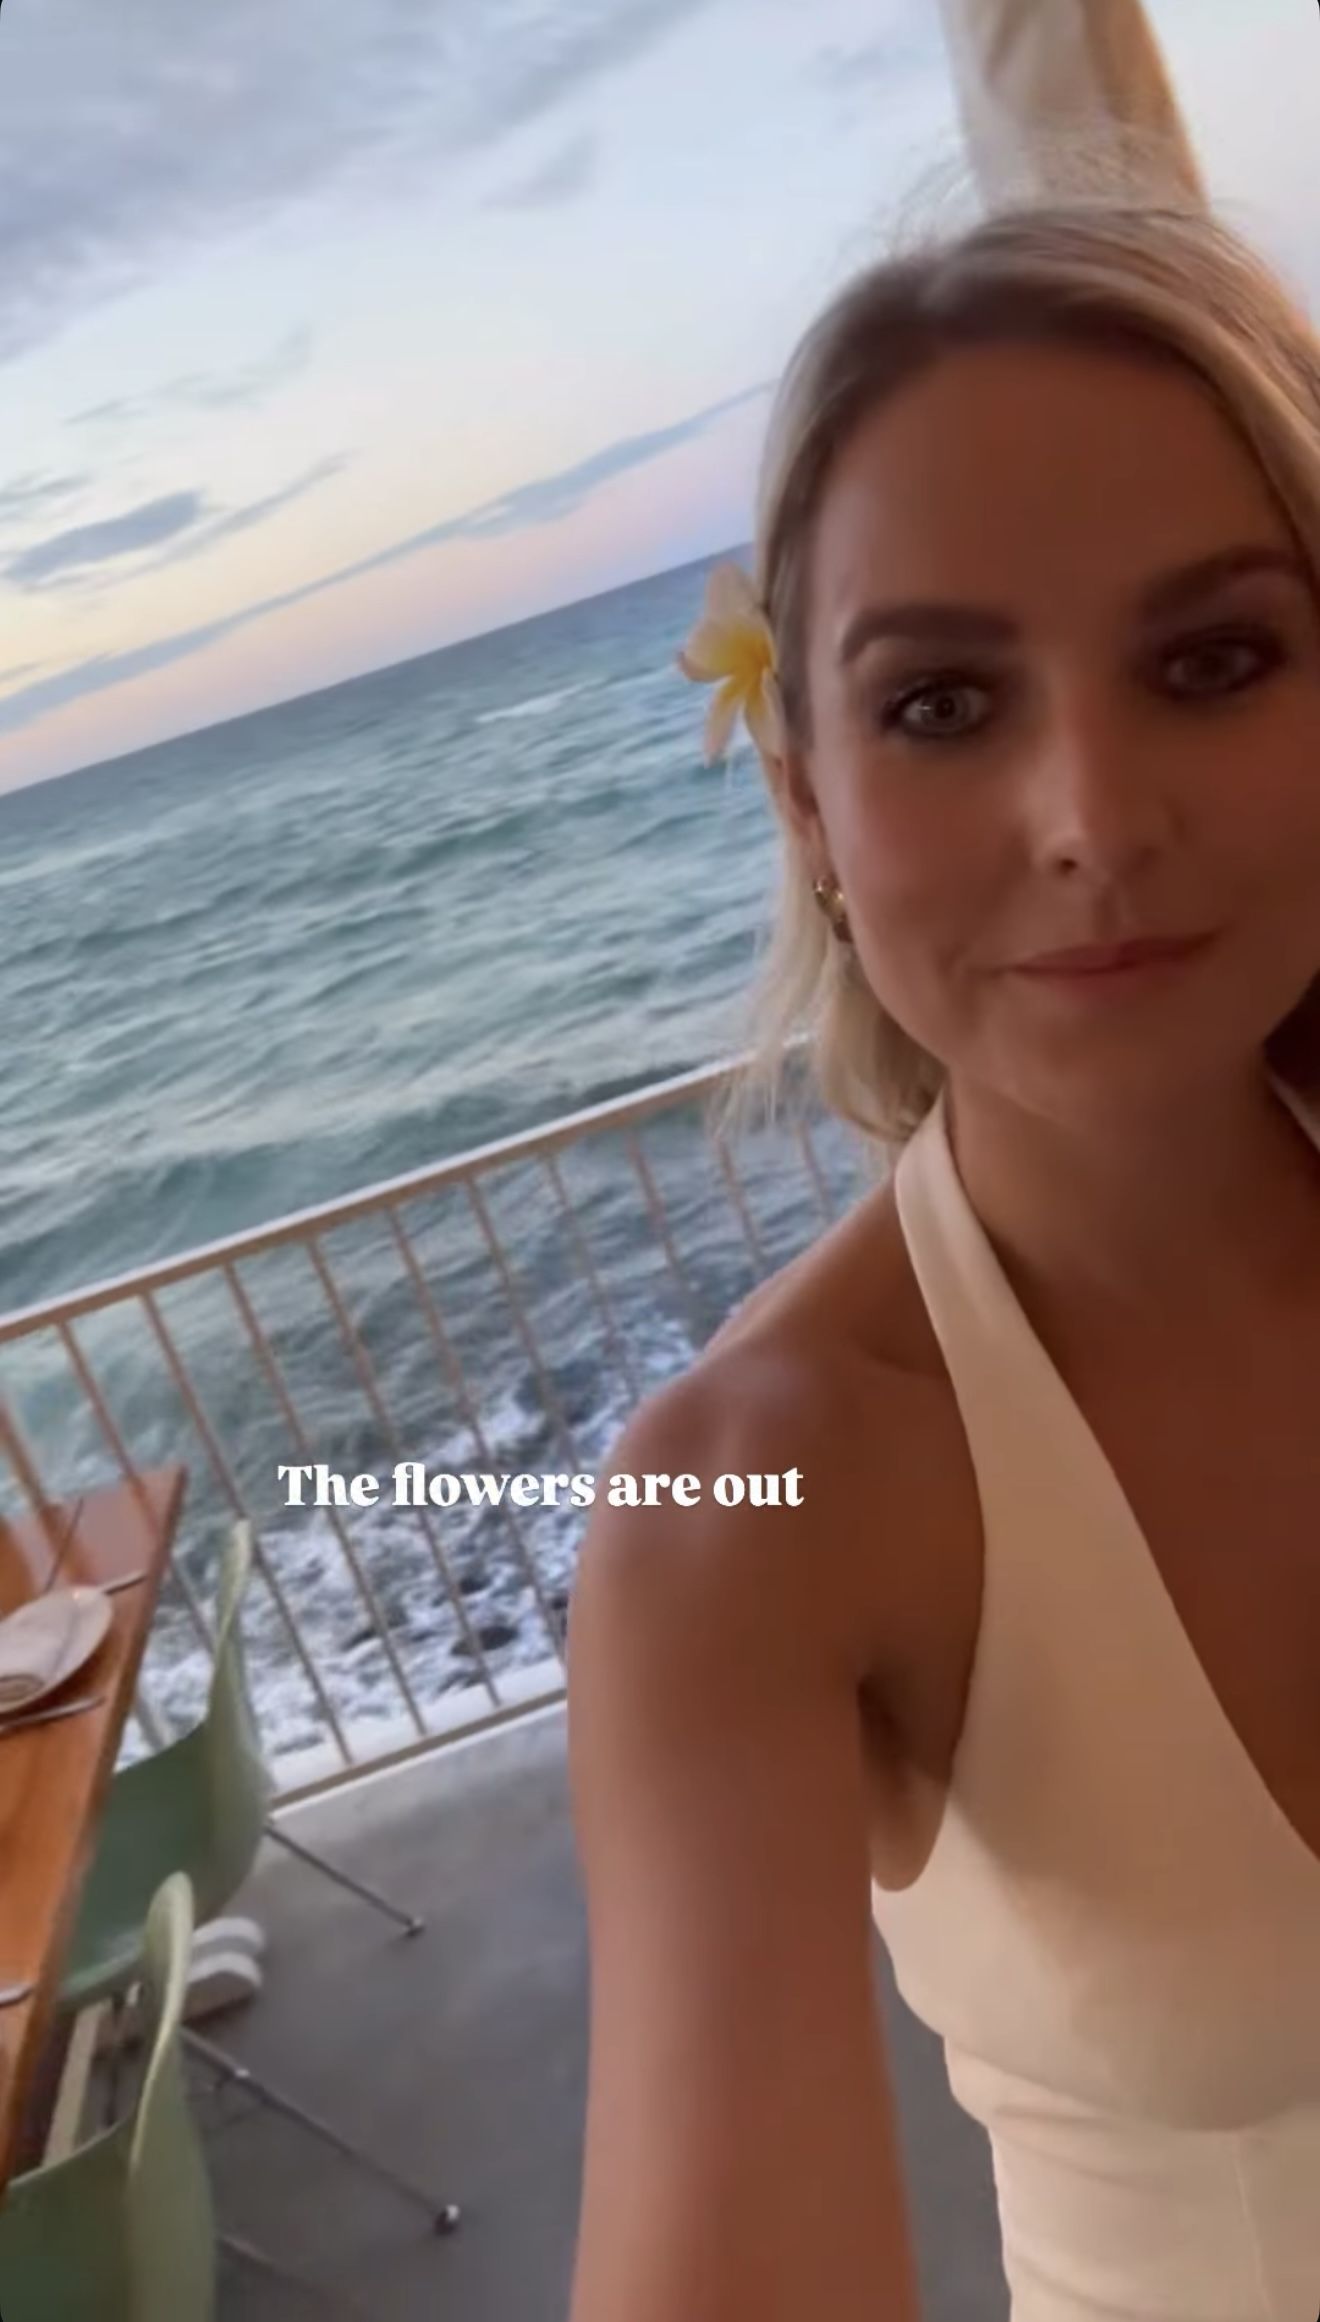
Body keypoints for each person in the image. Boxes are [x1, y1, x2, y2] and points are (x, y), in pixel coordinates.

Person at [564, 183, 1320, 2322]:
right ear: (804, 803)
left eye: (1212, 662)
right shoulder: (749, 1517)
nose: (1092, 816)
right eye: (944, 704)